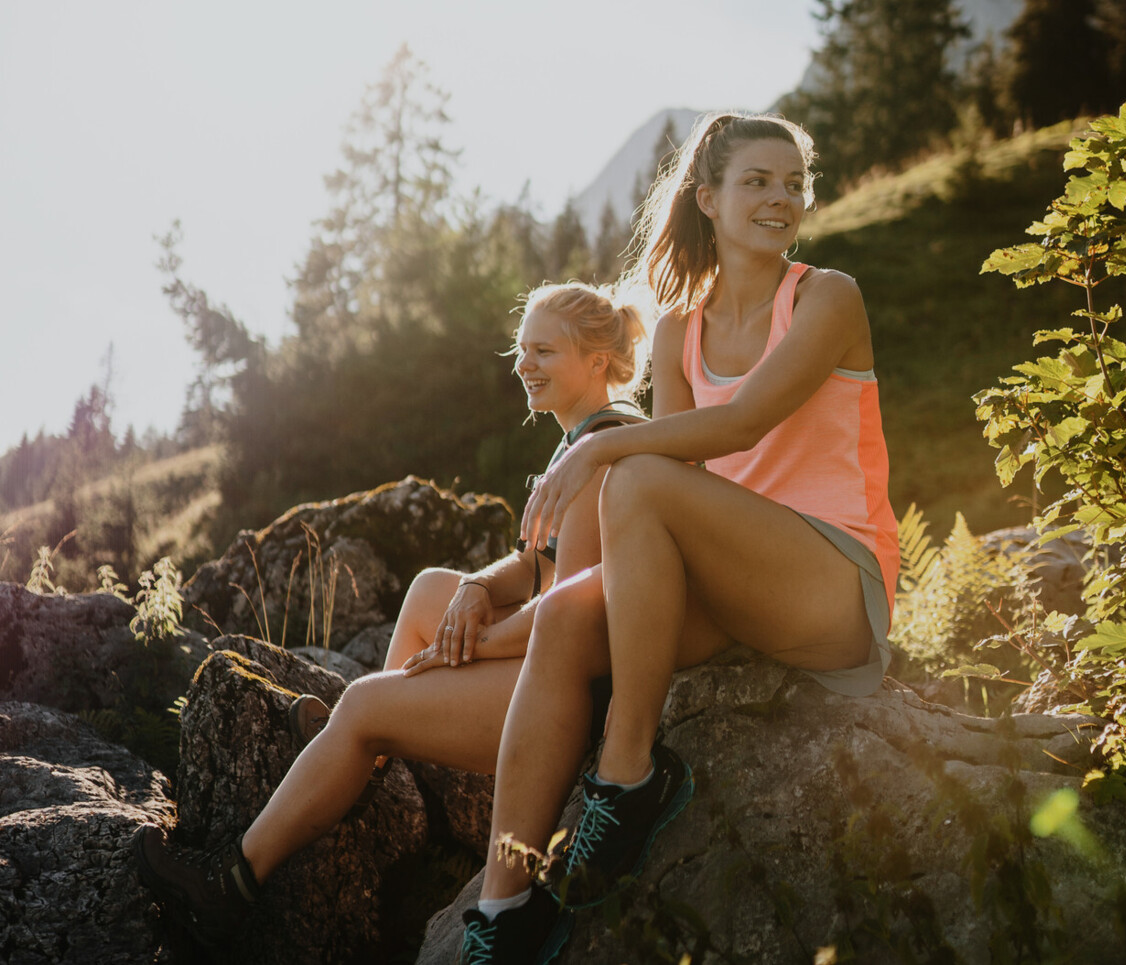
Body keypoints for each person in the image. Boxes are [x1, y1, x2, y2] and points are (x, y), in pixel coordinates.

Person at [460, 112, 899, 965]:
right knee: (564, 619)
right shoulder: (678, 332)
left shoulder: (826, 296)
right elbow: (682, 489)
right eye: (757, 182)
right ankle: (502, 906)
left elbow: (736, 425)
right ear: (708, 198)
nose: (782, 199)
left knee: (634, 474)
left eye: (793, 184)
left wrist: (595, 449)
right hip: (739, 584)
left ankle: (625, 774)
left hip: (832, 584)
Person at [130, 280, 648, 951]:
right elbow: (532, 564)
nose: (524, 364)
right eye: (521, 349)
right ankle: (364, 756)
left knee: (368, 707)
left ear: (596, 361)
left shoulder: (602, 455)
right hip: (551, 654)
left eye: (543, 351)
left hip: (573, 698)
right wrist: (477, 590)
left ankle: (230, 882)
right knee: (436, 585)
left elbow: (567, 610)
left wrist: (473, 644)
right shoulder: (584, 436)